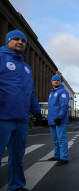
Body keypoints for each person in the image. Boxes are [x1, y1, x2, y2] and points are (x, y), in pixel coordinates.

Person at [0, 30, 42, 191]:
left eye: (23, 40)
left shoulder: (26, 68)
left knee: (17, 156)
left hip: (22, 119)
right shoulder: (1, 58)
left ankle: (16, 186)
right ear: (8, 41)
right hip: (3, 116)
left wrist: (36, 111)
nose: (20, 42)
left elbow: (30, 92)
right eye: (16, 39)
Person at [47, 75, 70, 166]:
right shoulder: (51, 93)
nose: (56, 81)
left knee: (61, 139)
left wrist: (60, 117)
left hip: (59, 119)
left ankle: (64, 158)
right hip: (52, 119)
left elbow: (64, 106)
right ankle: (57, 155)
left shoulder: (63, 92)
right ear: (51, 82)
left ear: (60, 82)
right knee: (55, 139)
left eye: (57, 80)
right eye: (54, 80)